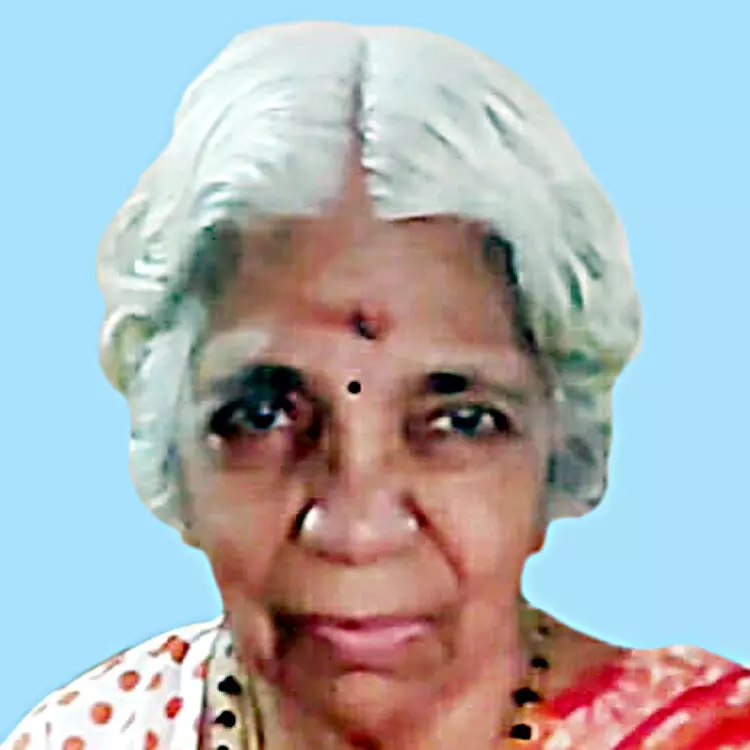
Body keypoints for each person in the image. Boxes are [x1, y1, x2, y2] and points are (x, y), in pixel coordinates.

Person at [3, 20, 749, 750]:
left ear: (561, 450)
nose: (357, 530)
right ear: (171, 453)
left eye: (461, 421)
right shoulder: (86, 737)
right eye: (262, 417)